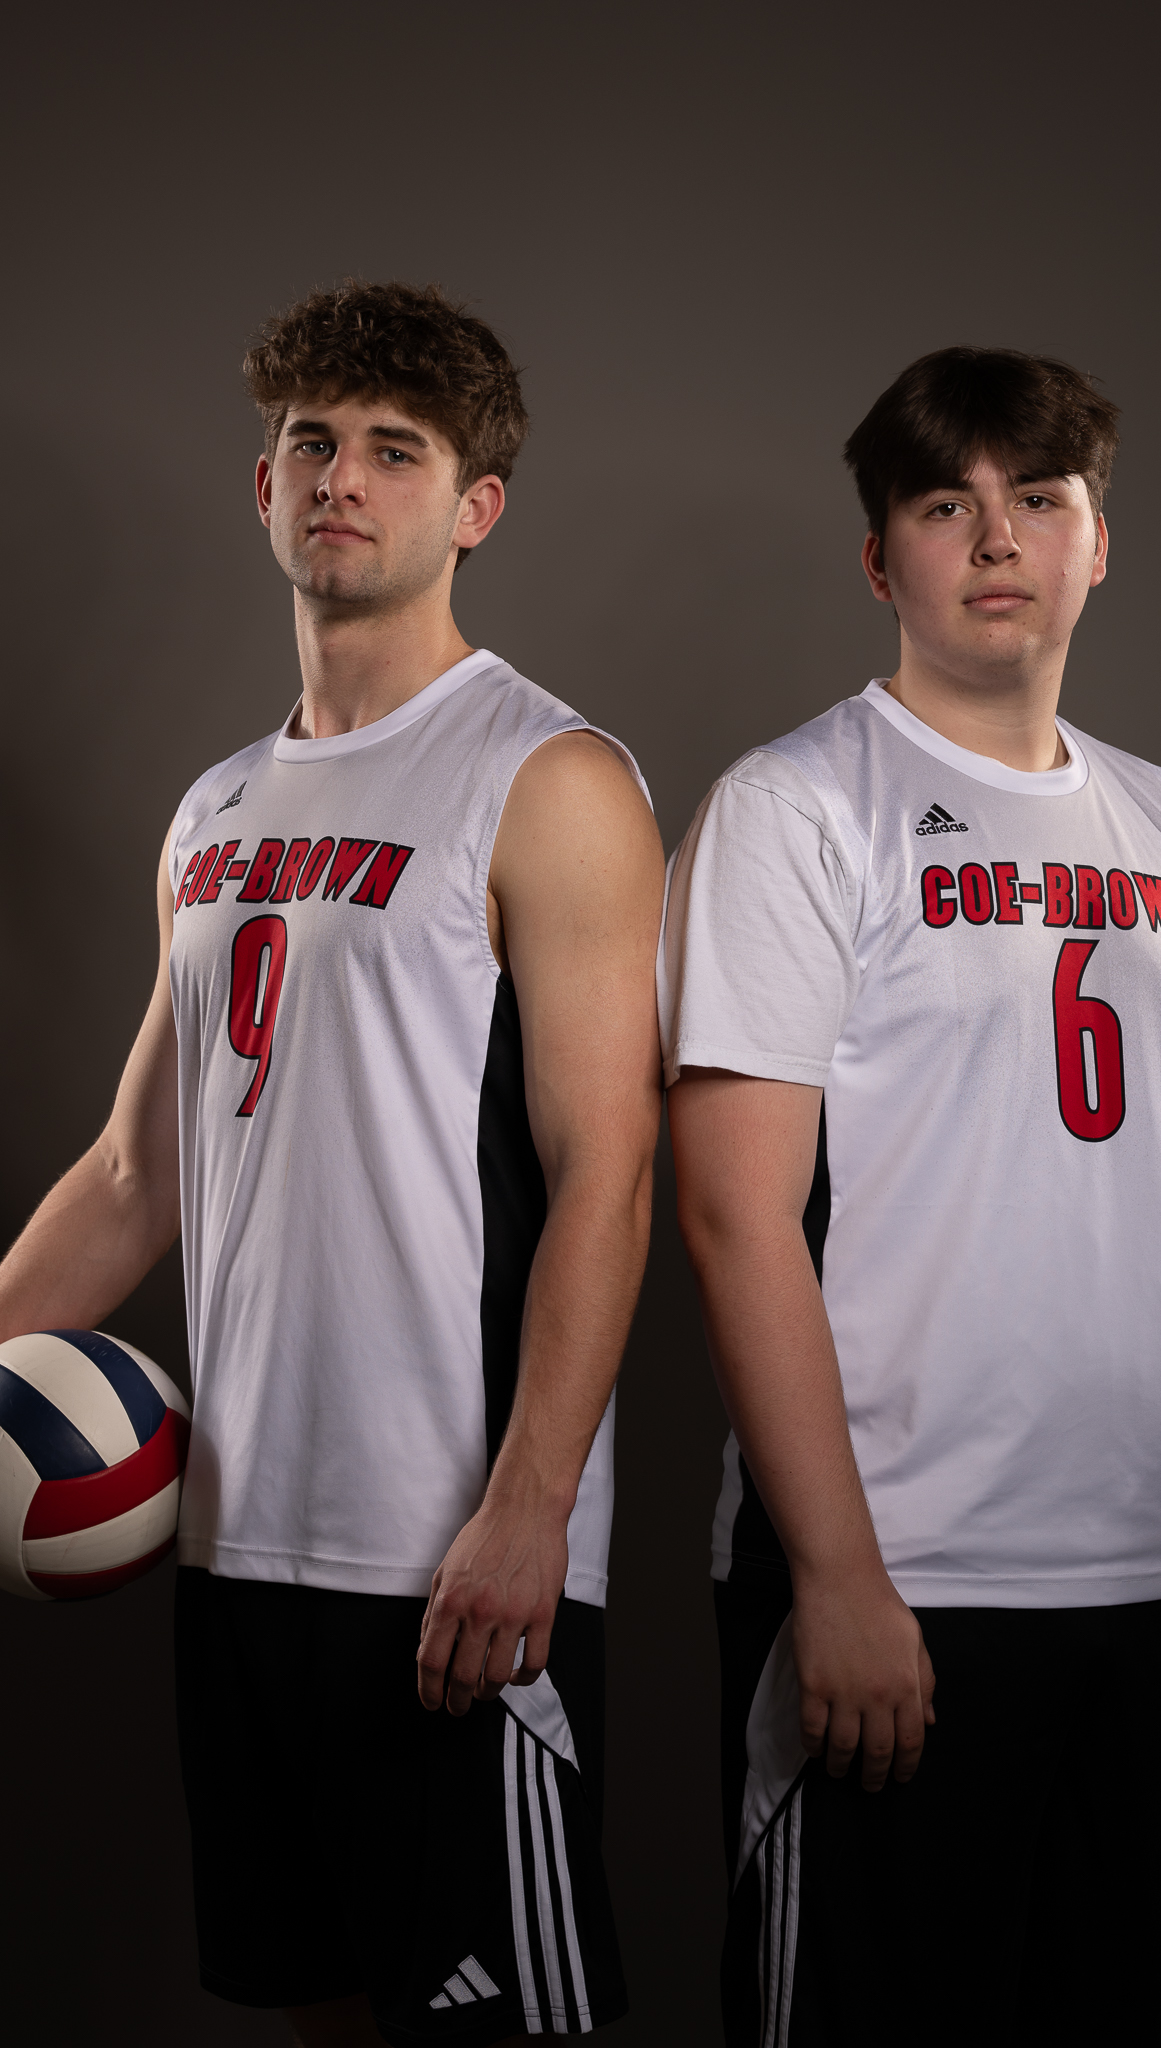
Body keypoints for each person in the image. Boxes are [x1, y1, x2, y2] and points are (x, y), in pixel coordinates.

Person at [658, 346, 1161, 2046]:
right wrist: (835, 1577)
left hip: (1137, 1580)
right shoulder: (795, 809)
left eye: (1035, 499)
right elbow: (733, 1217)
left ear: (1094, 541)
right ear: (879, 559)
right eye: (942, 504)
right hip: (893, 1578)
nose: (995, 539)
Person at [0, 280, 663, 2048]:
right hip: (236, 1536)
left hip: (452, 1552)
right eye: (311, 442)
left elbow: (610, 1174)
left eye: (393, 449)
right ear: (264, 484)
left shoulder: (549, 775)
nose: (341, 480)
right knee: (316, 2016)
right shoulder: (216, 810)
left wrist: (529, 1511)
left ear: (474, 507)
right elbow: (137, 1172)